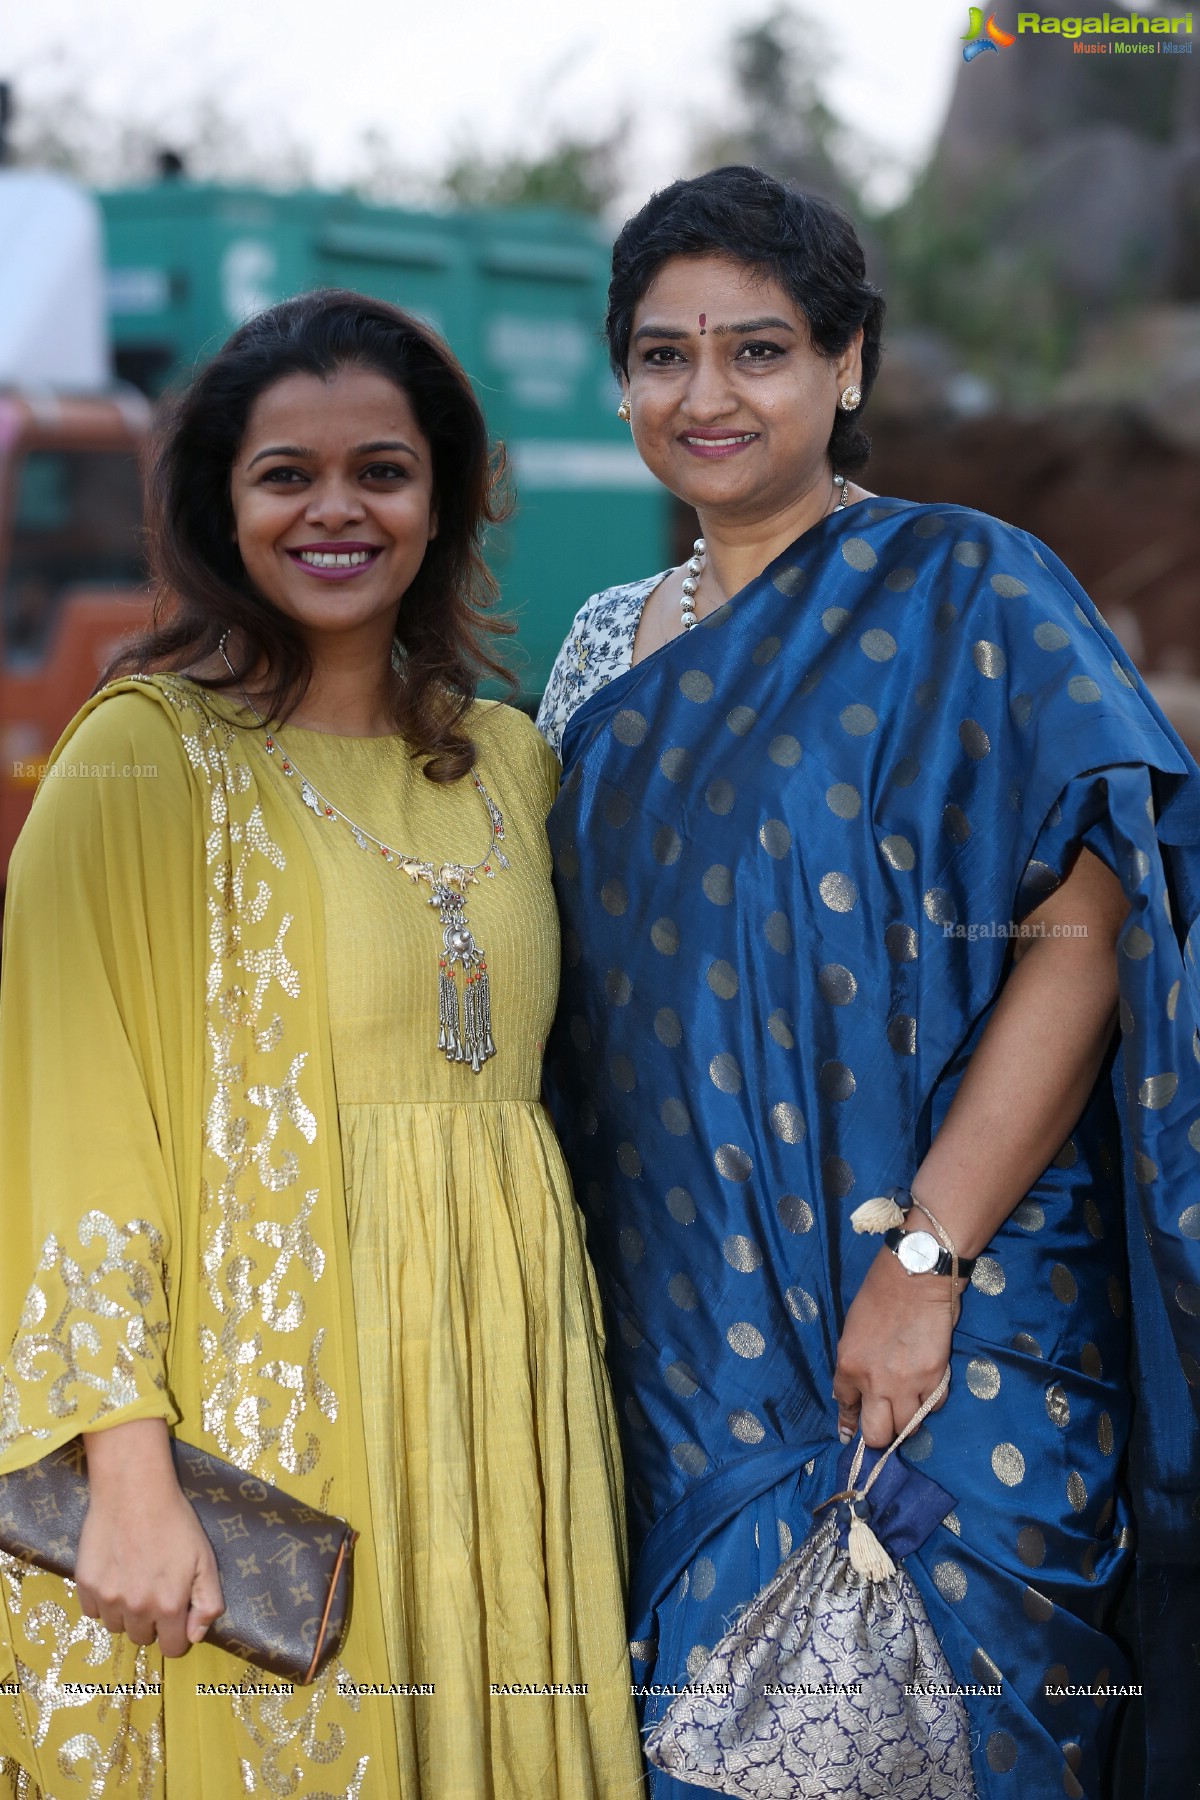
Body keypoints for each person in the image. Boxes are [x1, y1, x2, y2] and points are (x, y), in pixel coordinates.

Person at [536, 166, 1200, 1799]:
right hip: (681, 1343)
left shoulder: (975, 591)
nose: (706, 395)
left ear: (850, 367)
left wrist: (925, 1258)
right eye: (662, 354)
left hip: (940, 1326)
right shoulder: (598, 653)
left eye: (758, 350)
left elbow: (1084, 936)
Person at [0, 291, 644, 1798]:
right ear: (220, 506)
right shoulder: (143, 759)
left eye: (383, 468)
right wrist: (132, 1481)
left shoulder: (508, 759)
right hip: (271, 1409)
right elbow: (73, 1136)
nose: (336, 509)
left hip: (502, 1406)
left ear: (445, 497)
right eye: (285, 474)